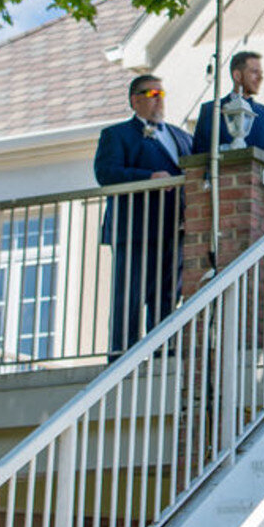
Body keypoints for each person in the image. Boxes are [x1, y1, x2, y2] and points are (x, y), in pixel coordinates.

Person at [94, 74, 194, 356]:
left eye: (162, 94)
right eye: (152, 94)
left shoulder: (181, 137)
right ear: (135, 100)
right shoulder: (117, 135)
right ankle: (122, 353)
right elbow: (106, 173)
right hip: (136, 229)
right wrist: (148, 176)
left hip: (174, 228)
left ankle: (163, 350)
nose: (159, 100)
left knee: (167, 295)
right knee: (131, 295)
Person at [192, 50, 264, 158]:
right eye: (255, 72)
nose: (260, 78)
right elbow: (199, 154)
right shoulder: (210, 110)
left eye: (261, 73)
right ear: (237, 75)